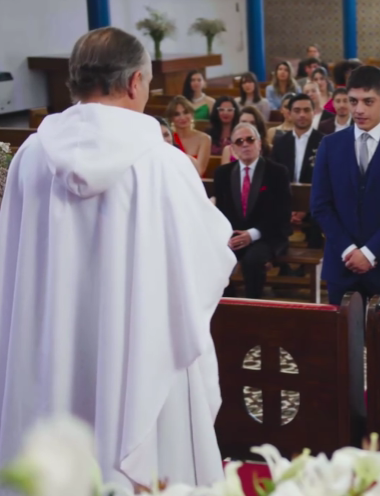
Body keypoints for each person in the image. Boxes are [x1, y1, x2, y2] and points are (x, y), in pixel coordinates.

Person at [0, 27, 236, 489]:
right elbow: (207, 259)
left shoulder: (31, 156)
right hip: (137, 354)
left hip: (49, 351)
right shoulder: (163, 163)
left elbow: (12, 262)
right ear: (133, 82)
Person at [310, 65, 380, 306]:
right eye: (353, 101)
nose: (359, 110)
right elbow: (320, 205)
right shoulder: (330, 145)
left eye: (368, 101)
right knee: (341, 330)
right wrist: (348, 250)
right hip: (342, 262)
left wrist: (370, 252)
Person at [213, 123, 292, 299]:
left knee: (253, 261)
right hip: (234, 235)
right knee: (215, 256)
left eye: (250, 139)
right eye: (239, 142)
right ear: (233, 149)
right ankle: (227, 303)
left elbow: (282, 213)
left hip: (266, 235)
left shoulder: (277, 172)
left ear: (259, 143)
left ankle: (253, 305)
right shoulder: (222, 173)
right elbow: (220, 212)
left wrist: (252, 234)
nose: (245, 145)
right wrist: (229, 236)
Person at [274, 94, 325, 248]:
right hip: (284, 204)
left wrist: (305, 209)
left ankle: (315, 256)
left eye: (306, 110)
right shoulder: (280, 142)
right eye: (297, 110)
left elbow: (326, 181)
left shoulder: (325, 142)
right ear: (289, 114)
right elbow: (274, 178)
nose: (302, 114)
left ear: (314, 113)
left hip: (315, 206)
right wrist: (289, 208)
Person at [167, 95, 212, 176]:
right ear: (171, 118)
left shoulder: (204, 139)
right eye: (177, 114)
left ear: (192, 114)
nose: (182, 117)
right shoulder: (168, 138)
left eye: (186, 112)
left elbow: (200, 170)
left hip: (195, 180)